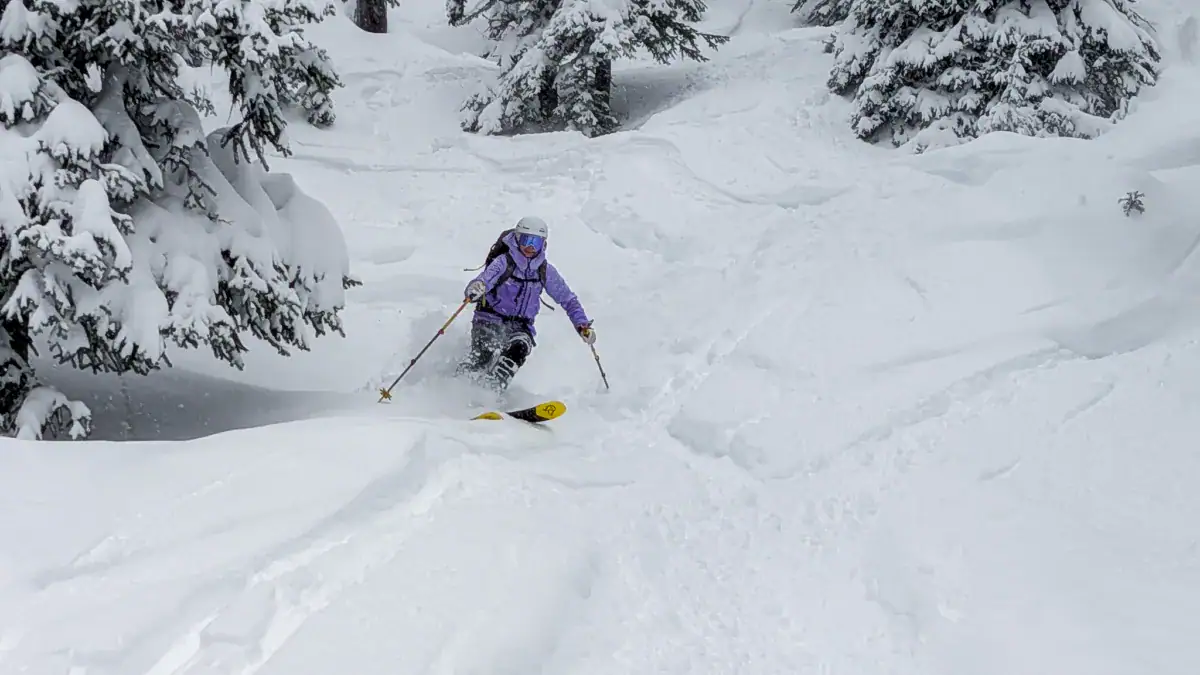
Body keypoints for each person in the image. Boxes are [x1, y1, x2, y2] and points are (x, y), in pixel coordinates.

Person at [455, 216, 596, 391]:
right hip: (490, 318)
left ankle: (491, 390)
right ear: (516, 239)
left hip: (521, 326)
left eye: (535, 242)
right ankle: (459, 385)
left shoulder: (545, 270)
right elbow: (484, 281)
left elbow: (568, 299)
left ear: (543, 244)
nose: (530, 247)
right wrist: (476, 288)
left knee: (519, 348)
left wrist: (581, 325)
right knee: (484, 353)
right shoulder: (503, 262)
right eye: (526, 240)